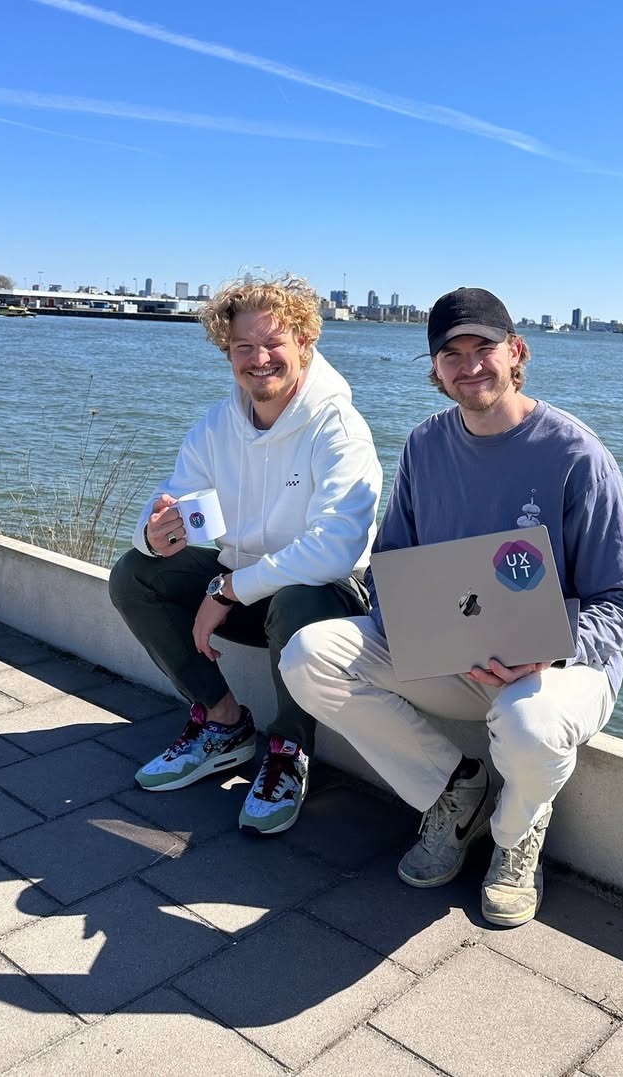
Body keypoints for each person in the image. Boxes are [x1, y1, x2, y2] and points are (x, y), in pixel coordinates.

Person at [280, 286, 623, 925]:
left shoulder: (576, 456)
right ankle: (455, 790)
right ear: (436, 368)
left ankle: (514, 837)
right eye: (452, 353)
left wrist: (549, 651)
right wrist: (421, 635)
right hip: (453, 658)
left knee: (531, 728)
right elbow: (392, 564)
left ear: (517, 353)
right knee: (308, 653)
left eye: (485, 348)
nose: (469, 364)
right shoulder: (425, 445)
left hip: (554, 669)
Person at [109, 275, 381, 835]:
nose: (259, 359)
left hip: (323, 605)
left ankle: (287, 750)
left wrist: (227, 590)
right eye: (243, 347)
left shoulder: (338, 428)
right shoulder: (217, 427)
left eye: (273, 343)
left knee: (299, 599)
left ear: (304, 341)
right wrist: (154, 533)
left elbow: (336, 550)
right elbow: (171, 502)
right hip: (242, 588)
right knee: (134, 575)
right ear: (226, 351)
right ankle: (223, 723)